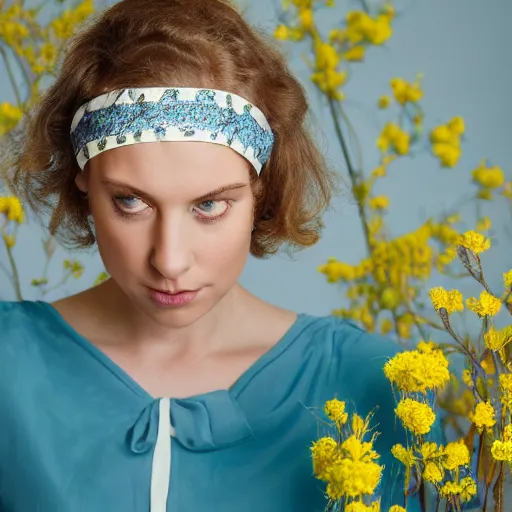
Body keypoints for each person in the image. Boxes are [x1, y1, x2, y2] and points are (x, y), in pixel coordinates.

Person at [0, 0, 413, 510]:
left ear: (260, 185)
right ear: (83, 179)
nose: (170, 262)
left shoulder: (377, 384)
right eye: (131, 201)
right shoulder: (8, 367)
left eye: (210, 205)